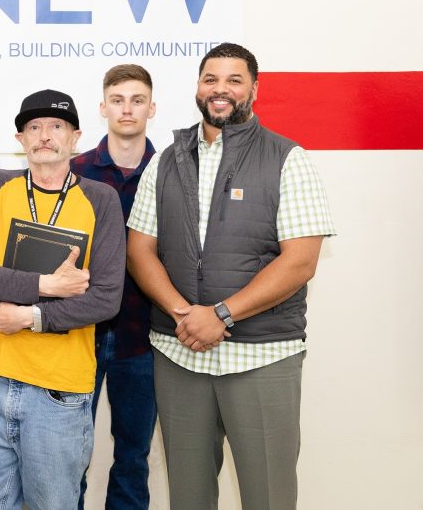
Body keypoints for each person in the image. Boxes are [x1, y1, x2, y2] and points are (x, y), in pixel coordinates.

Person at [127, 43, 336, 509]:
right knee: (188, 496)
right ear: (198, 87)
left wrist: (221, 314)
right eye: (211, 80)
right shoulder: (165, 161)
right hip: (180, 354)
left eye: (234, 80)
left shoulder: (288, 159)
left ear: (254, 90)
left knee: (268, 495)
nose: (221, 90)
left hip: (262, 357)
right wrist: (186, 315)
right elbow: (139, 250)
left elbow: (300, 261)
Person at [0, 89, 126, 510]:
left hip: (60, 394)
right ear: (20, 139)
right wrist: (49, 286)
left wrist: (30, 317)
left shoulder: (100, 199)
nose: (44, 135)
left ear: (76, 138)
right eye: (34, 127)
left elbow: (105, 300)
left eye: (56, 126)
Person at [71, 65, 158, 509]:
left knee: (133, 457)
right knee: (70, 456)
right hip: (78, 335)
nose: (127, 109)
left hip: (144, 338)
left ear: (152, 108)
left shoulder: (172, 174)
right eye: (118, 100)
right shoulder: (74, 172)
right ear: (103, 107)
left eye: (137, 99)